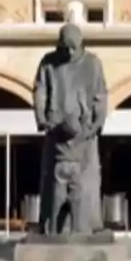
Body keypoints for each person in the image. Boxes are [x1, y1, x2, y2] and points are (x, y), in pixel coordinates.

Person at [32, 23, 108, 235]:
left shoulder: (93, 63)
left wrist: (97, 122)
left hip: (85, 133)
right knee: (51, 180)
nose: (70, 52)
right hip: (56, 129)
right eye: (66, 48)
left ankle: (89, 225)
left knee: (88, 180)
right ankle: (50, 225)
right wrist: (41, 118)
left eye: (74, 48)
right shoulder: (48, 63)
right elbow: (40, 92)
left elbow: (101, 96)